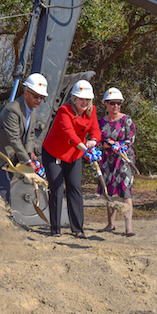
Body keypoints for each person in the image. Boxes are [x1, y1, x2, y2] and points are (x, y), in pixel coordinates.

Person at [42, 80, 101, 238]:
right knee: (57, 188)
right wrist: (85, 148)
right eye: (81, 98)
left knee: (75, 188)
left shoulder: (92, 111)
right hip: (55, 153)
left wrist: (93, 141)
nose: (85, 102)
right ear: (74, 99)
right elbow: (70, 134)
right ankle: (55, 229)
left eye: (87, 99)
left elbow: (96, 131)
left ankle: (77, 229)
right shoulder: (64, 111)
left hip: (75, 155)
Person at [0, 73, 48, 203]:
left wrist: (29, 151)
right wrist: (28, 161)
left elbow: (30, 133)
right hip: (1, 155)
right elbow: (14, 139)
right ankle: (1, 219)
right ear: (26, 92)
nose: (39, 100)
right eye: (36, 96)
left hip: (14, 155)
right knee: (3, 188)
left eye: (42, 97)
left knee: (7, 186)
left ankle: (5, 216)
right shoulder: (12, 109)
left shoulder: (32, 109)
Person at [97, 87, 136, 236]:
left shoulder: (126, 120)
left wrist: (118, 145)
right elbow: (96, 140)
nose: (116, 106)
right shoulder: (100, 122)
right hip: (107, 160)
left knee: (125, 192)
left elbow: (130, 139)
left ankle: (129, 227)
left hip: (124, 159)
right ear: (106, 104)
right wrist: (104, 145)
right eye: (112, 103)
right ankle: (110, 224)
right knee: (110, 193)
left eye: (118, 103)